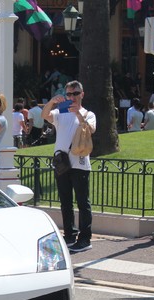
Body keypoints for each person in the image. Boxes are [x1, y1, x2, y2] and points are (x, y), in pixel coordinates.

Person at [41, 80, 97, 253]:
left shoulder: (88, 113)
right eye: (69, 94)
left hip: (79, 163)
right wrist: (52, 102)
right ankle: (70, 235)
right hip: (62, 163)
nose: (72, 97)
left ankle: (85, 238)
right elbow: (45, 115)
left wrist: (78, 115)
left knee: (82, 202)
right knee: (65, 202)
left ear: (82, 94)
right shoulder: (60, 113)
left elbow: (91, 130)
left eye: (75, 93)